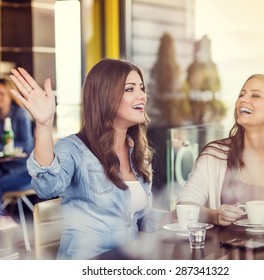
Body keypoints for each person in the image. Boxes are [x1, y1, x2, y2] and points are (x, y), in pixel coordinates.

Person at [9, 58, 167, 259]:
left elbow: (143, 218)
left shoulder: (138, 153)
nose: (142, 95)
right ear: (105, 96)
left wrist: (189, 216)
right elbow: (47, 187)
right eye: (130, 89)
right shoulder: (74, 148)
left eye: (142, 88)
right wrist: (44, 125)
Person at [177, 74, 264, 226]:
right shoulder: (215, 155)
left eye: (255, 95)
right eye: (241, 95)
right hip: (224, 249)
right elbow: (184, 206)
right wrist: (214, 215)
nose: (243, 99)